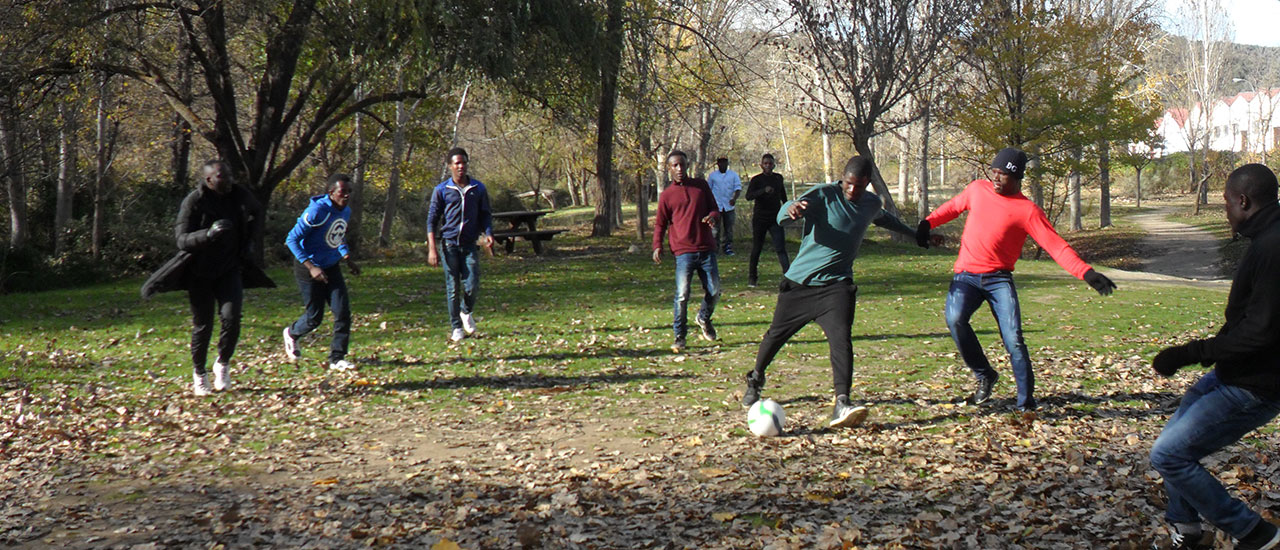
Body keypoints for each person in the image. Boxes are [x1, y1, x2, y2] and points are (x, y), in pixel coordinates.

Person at [741, 156, 935, 428]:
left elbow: (884, 219)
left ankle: (842, 402)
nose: (851, 190)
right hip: (801, 283)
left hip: (837, 286)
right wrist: (792, 209)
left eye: (858, 185)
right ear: (842, 178)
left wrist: (915, 235)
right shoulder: (824, 194)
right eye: (847, 183)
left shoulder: (870, 203)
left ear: (867, 183)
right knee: (775, 336)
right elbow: (784, 212)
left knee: (841, 339)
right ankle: (755, 379)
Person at [916, 148, 1116, 411]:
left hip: (999, 280)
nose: (996, 179)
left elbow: (1056, 246)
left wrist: (1086, 273)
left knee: (1014, 339)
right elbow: (952, 207)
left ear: (1017, 177)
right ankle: (984, 374)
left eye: (1003, 175)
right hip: (966, 276)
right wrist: (927, 223)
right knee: (954, 319)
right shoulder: (977, 190)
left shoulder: (1027, 211)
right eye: (994, 172)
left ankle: (1026, 404)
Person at [1147, 163, 1280, 550]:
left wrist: (1191, 352)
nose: (1225, 211)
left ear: (1243, 200)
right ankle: (1186, 530)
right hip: (1232, 374)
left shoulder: (1273, 247)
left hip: (1256, 385)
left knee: (1169, 454)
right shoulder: (1266, 238)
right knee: (1174, 442)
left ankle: (1256, 533)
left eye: (1225, 202)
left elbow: (1261, 330)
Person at [141, 159, 274, 395]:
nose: (229, 179)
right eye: (222, 176)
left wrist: (250, 242)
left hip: (230, 268)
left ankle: (222, 363)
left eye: (230, 174)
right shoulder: (195, 201)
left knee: (232, 318)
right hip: (199, 272)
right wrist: (208, 234)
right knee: (203, 325)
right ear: (209, 179)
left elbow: (257, 212)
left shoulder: (240, 195)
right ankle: (199, 374)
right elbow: (181, 240)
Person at [283, 173, 362, 371]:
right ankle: (292, 333)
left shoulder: (345, 211)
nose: (346, 196)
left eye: (349, 192)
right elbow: (291, 239)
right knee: (314, 318)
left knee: (342, 311)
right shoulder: (317, 211)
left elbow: (337, 235)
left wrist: (347, 257)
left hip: (331, 266)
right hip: (307, 267)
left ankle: (337, 358)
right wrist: (311, 267)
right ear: (331, 192)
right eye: (342, 192)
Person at [653, 150, 720, 352]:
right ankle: (680, 335)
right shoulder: (667, 196)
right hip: (683, 252)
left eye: (682, 164)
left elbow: (715, 209)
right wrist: (657, 245)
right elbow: (660, 224)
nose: (680, 169)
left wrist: (713, 217)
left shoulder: (701, 186)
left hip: (706, 248)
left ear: (687, 165)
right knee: (682, 294)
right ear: (669, 169)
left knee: (715, 290)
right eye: (675, 165)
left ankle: (703, 317)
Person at [427, 147, 494, 343]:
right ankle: (456, 326)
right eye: (457, 163)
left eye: (463, 162)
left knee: (472, 283)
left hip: (470, 244)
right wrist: (432, 248)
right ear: (450, 166)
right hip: (449, 245)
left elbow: (486, 215)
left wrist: (488, 233)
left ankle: (466, 311)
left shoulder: (478, 188)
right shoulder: (441, 190)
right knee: (452, 287)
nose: (461, 166)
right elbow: (431, 220)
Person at [744, 153, 790, 287]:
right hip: (760, 218)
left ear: (774, 165)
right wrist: (763, 191)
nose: (768, 166)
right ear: (761, 165)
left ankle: (789, 276)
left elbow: (783, 196)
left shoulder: (778, 178)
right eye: (765, 164)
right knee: (757, 248)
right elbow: (748, 196)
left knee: (780, 247)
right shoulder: (756, 180)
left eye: (770, 164)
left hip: (775, 218)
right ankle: (752, 278)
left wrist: (788, 208)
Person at [706, 156, 742, 256]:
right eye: (720, 163)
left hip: (729, 206)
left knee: (728, 228)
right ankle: (714, 248)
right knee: (715, 229)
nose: (723, 165)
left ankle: (727, 247)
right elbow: (708, 190)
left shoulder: (733, 175)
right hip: (716, 206)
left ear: (727, 163)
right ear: (717, 164)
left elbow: (738, 188)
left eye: (725, 162)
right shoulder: (713, 176)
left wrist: (734, 199)